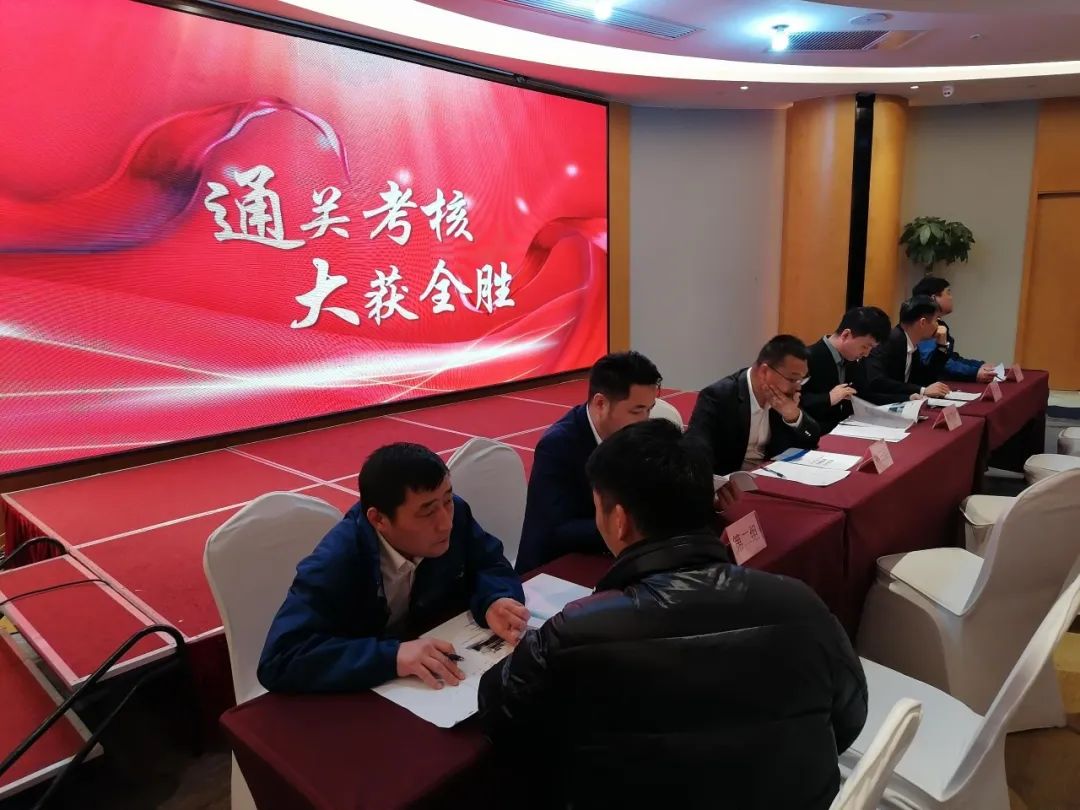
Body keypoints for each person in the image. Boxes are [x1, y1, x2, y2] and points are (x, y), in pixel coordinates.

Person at [479, 420, 868, 810]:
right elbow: (849, 717)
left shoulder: (575, 631)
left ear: (619, 520)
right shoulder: (801, 603)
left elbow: (502, 717)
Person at [258, 442, 526, 693]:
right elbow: (280, 658)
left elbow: (489, 562)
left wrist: (495, 598)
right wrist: (392, 656)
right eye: (427, 512)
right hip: (371, 689)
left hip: (440, 661)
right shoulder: (338, 560)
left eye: (447, 500)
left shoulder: (456, 514)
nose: (446, 523)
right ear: (378, 520)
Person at [515, 351, 662, 574]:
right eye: (636, 411)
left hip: (615, 552)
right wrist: (632, 526)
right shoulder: (557, 446)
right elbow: (556, 530)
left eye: (649, 410)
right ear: (601, 403)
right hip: (555, 569)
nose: (645, 421)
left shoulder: (632, 436)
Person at [686, 334, 821, 476]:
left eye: (802, 379)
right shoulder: (720, 396)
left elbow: (812, 438)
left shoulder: (785, 396)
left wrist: (793, 416)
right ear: (764, 372)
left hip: (772, 476)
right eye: (793, 379)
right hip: (730, 481)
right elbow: (695, 450)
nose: (798, 387)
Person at [801, 306, 892, 432]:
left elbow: (865, 395)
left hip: (847, 431)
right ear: (846, 335)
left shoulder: (852, 359)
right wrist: (828, 398)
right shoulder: (805, 358)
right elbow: (792, 404)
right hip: (815, 435)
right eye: (865, 347)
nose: (866, 354)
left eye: (871, 348)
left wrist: (908, 398)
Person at [863, 296, 952, 404]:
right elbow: (877, 381)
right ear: (922, 322)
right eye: (936, 320)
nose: (938, 325)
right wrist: (922, 390)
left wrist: (941, 346)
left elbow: (926, 379)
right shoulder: (890, 341)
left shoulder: (911, 343)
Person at [912, 276, 996, 383]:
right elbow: (937, 362)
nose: (951, 297)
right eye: (948, 292)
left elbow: (949, 357)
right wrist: (974, 372)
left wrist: (979, 366)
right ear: (933, 298)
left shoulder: (940, 324)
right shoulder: (924, 325)